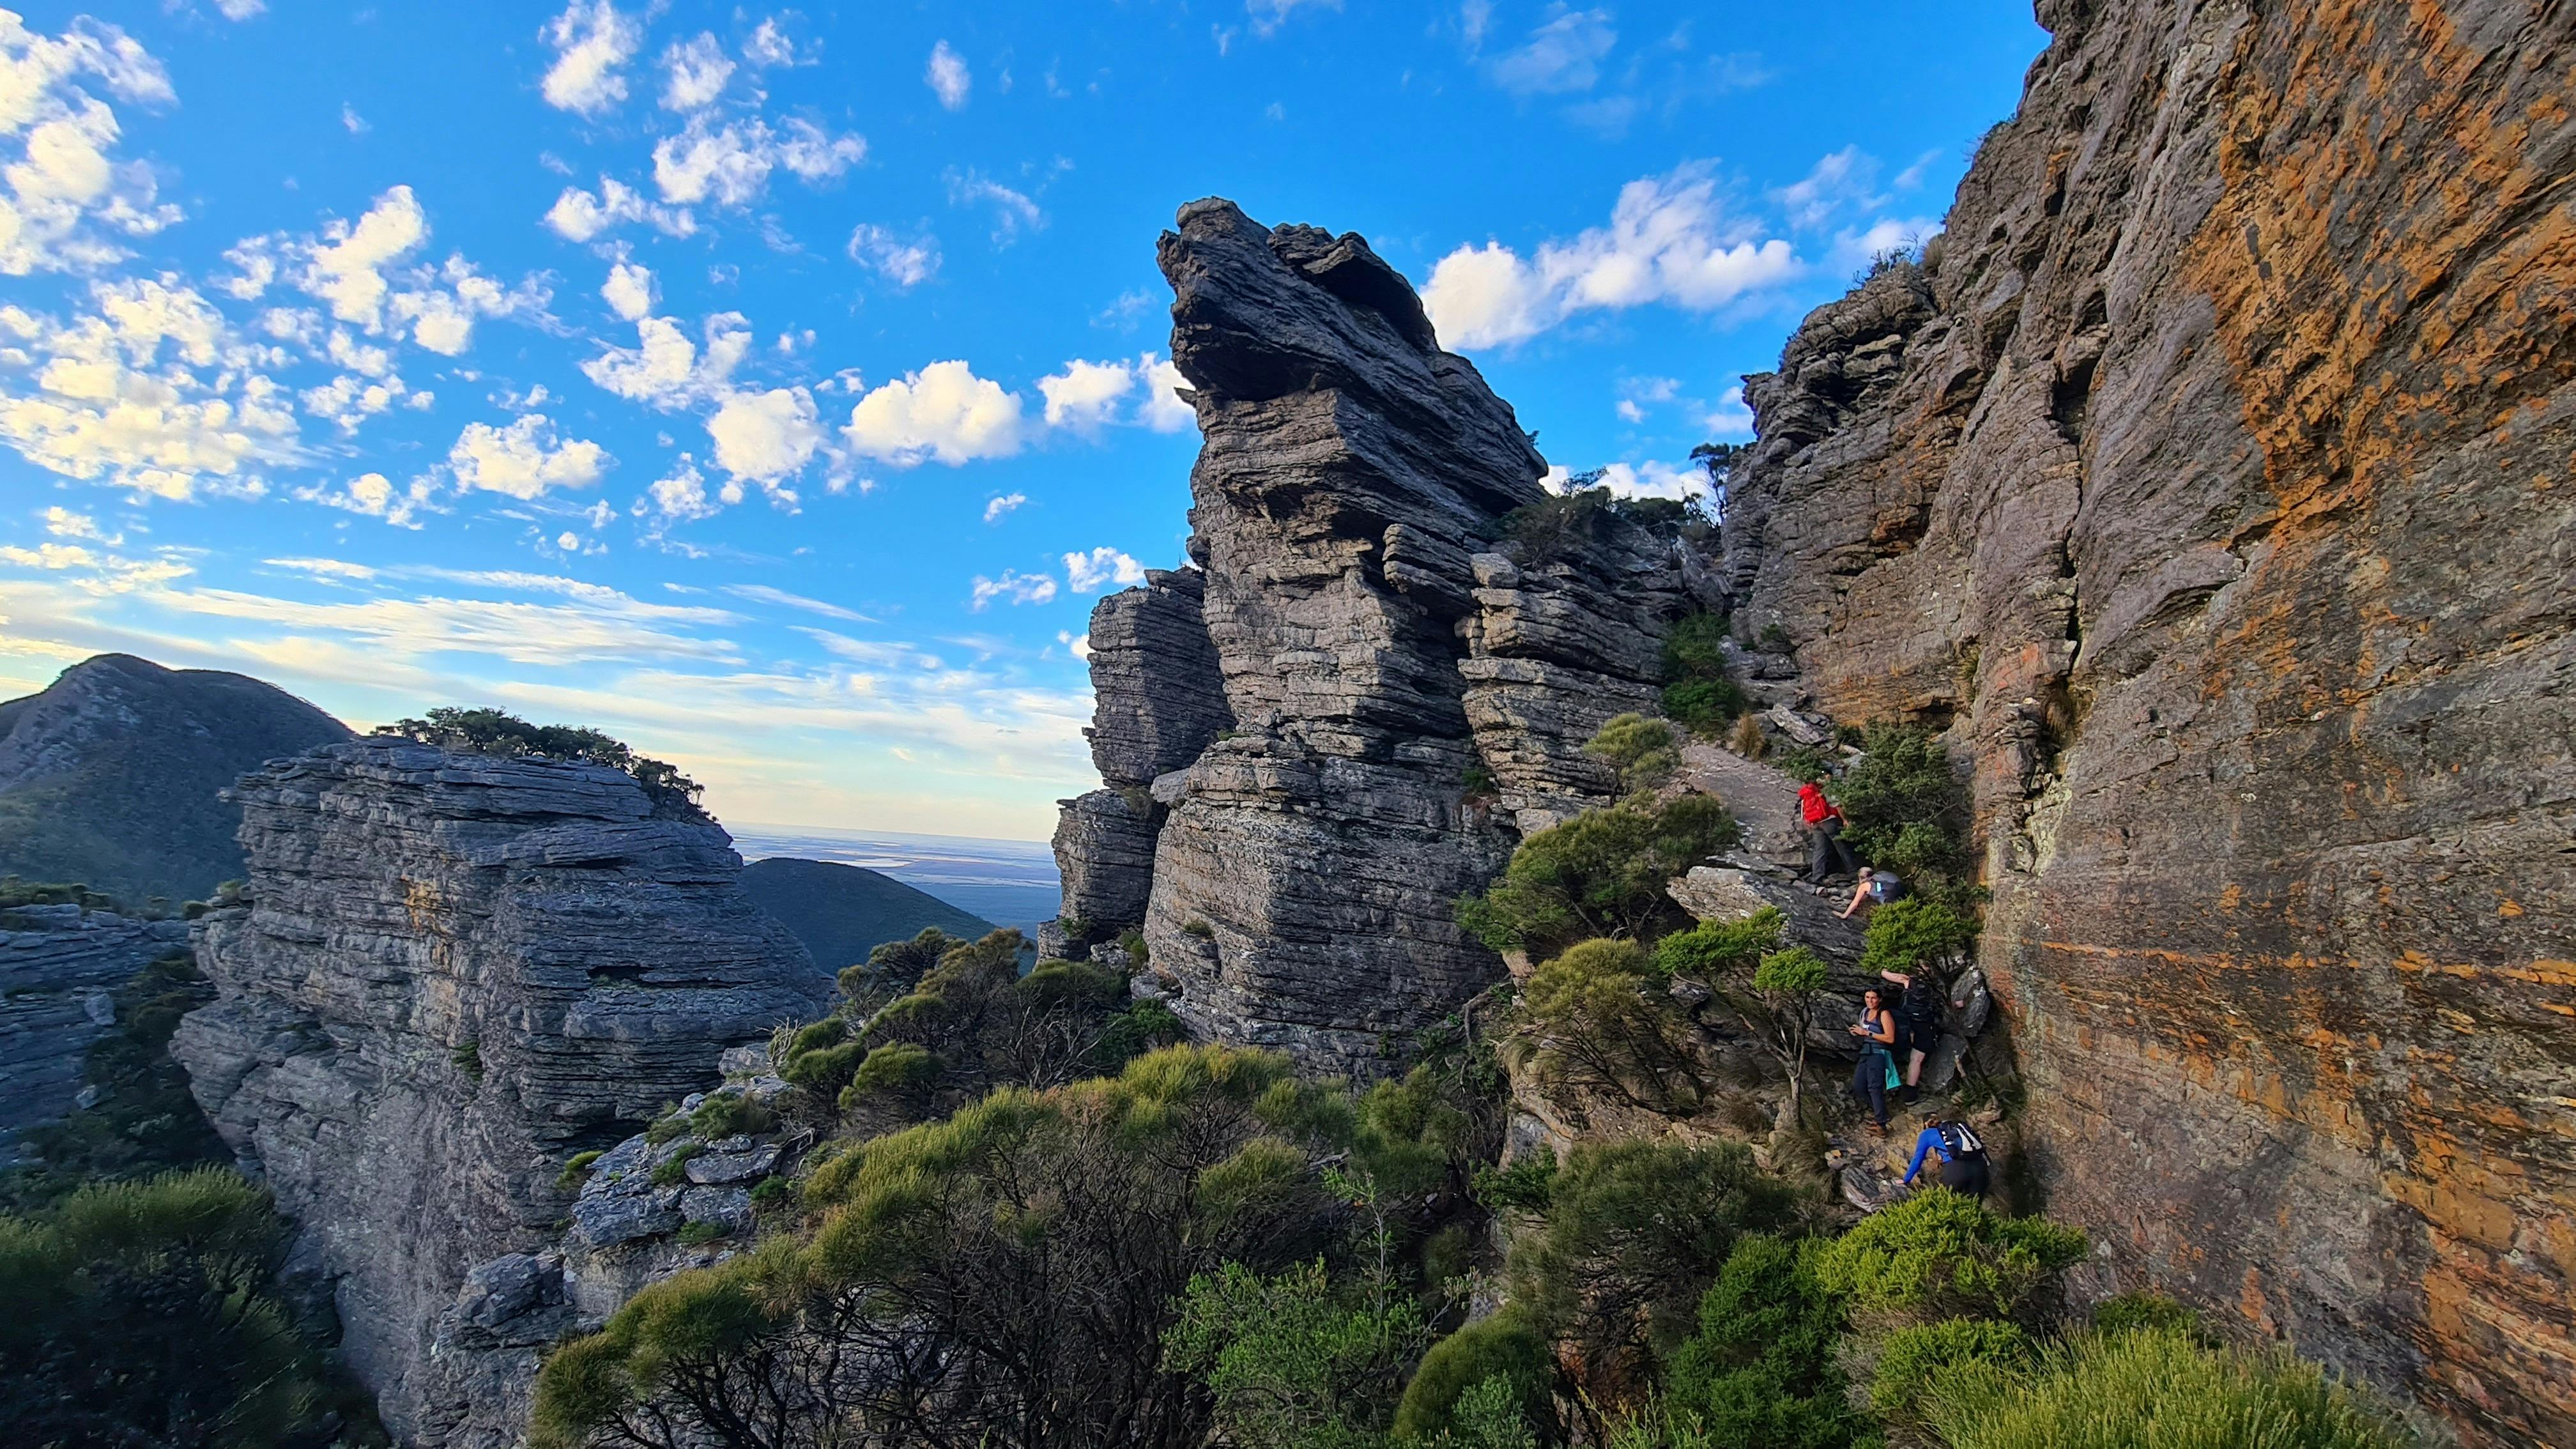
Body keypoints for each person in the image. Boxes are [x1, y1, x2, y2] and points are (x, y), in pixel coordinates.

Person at [1878, 965, 1945, 1099]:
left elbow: (1887, 975)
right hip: (1925, 1028)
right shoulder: (1936, 987)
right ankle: (1910, 1093)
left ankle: (1892, 1085)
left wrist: (1884, 968)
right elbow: (1944, 1005)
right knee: (1916, 1060)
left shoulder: (1909, 981)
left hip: (1907, 1024)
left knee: (1896, 1053)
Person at [1846, 987, 1897, 1133]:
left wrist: (1867, 1032)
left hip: (1879, 1054)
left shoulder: (1884, 1014)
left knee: (1874, 1088)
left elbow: (1890, 1038)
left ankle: (1881, 1124)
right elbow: (1866, 1033)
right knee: (1858, 1085)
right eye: (1867, 997)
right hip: (1866, 1052)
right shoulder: (1865, 1012)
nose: (1870, 1001)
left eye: (1873, 998)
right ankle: (1881, 1113)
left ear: (1880, 999)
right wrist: (1859, 1033)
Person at [1901, 1118, 1991, 1199]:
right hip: (1980, 1166)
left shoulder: (1927, 1133)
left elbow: (1917, 1160)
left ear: (1926, 1124)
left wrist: (1906, 1180)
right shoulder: (1956, 1129)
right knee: (1975, 1208)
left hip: (1957, 1168)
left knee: (1944, 1202)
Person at [1798, 780, 1857, 882]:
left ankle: (1817, 876)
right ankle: (1853, 872)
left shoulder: (1807, 792)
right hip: (1829, 821)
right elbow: (1837, 805)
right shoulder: (1826, 789)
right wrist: (1845, 820)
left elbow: (1803, 810)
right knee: (1842, 846)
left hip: (1815, 823)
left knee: (1820, 850)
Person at [1838, 865, 1906, 919]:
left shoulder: (1864, 886)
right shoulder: (1881, 874)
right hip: (1901, 887)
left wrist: (1844, 915)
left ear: (1861, 877)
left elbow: (1855, 903)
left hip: (1888, 898)